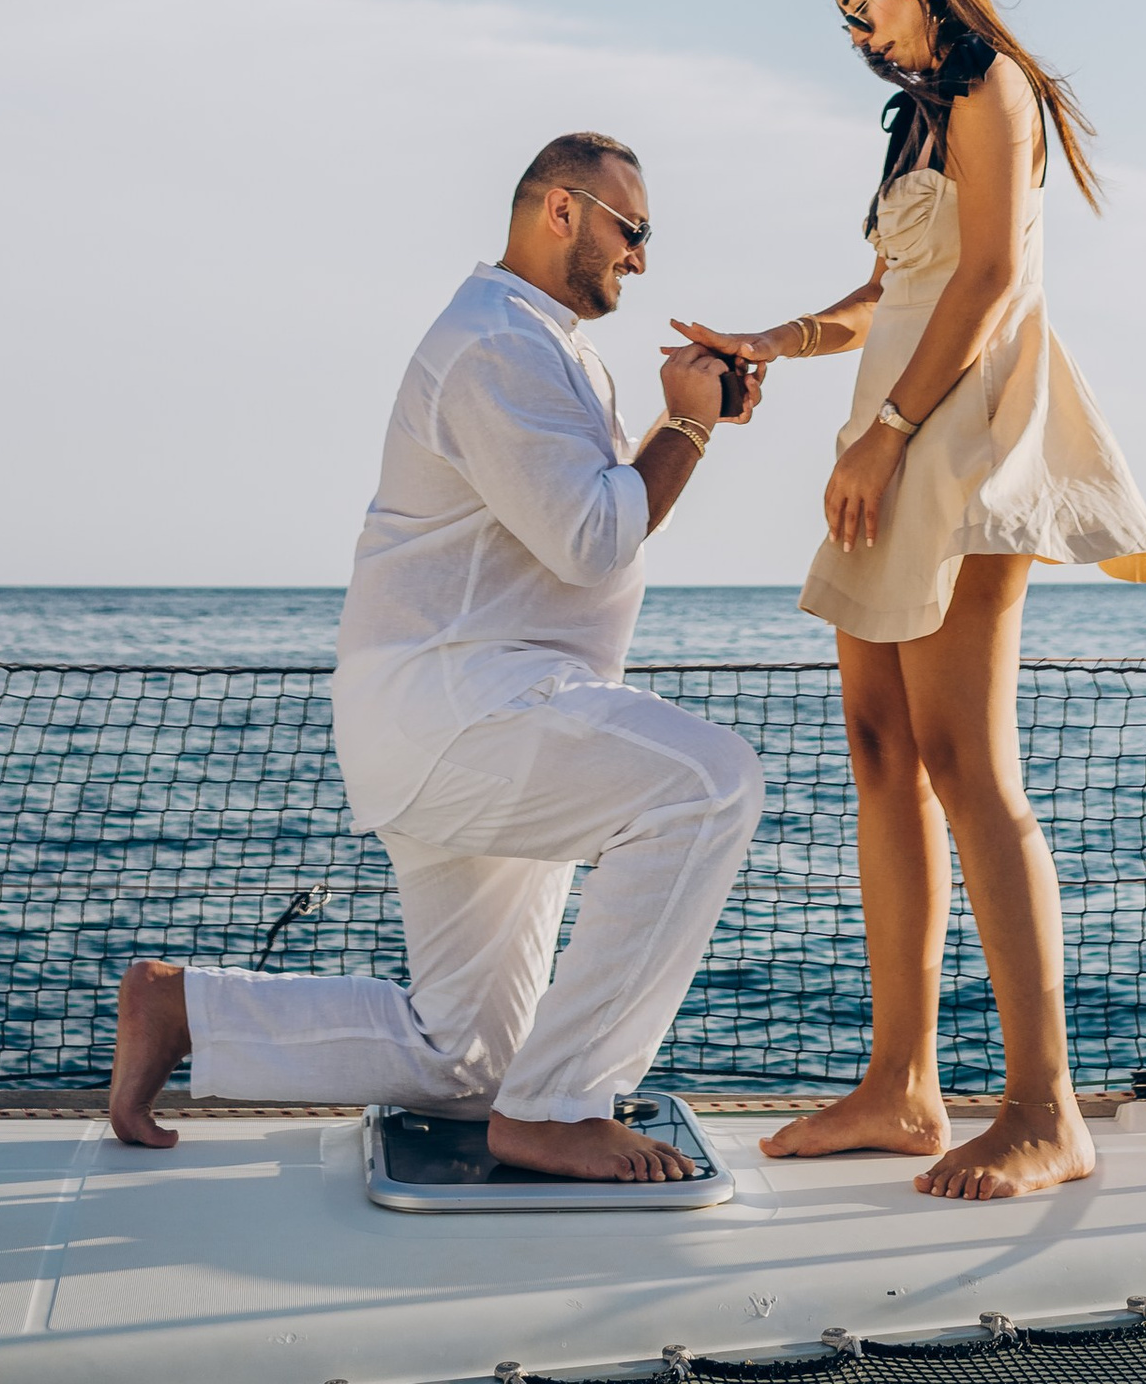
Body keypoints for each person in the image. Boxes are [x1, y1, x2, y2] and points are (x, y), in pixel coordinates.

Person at [108, 130, 765, 1180]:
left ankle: (182, 1007)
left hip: (480, 716)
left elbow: (591, 529)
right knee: (709, 784)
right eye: (630, 231)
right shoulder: (499, 344)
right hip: (464, 715)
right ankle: (558, 1108)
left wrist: (687, 430)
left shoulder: (536, 344)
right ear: (561, 209)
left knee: (462, 1061)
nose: (641, 259)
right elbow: (596, 539)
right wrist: (685, 429)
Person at [676, 0, 1146, 1204]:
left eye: (864, 4)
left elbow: (993, 278)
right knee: (882, 752)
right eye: (841, 11)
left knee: (967, 760)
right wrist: (768, 344)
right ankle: (902, 1088)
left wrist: (888, 434)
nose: (853, 29)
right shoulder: (918, 118)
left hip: (954, 448)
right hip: (886, 441)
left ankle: (1046, 1109)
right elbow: (894, 293)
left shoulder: (996, 86)